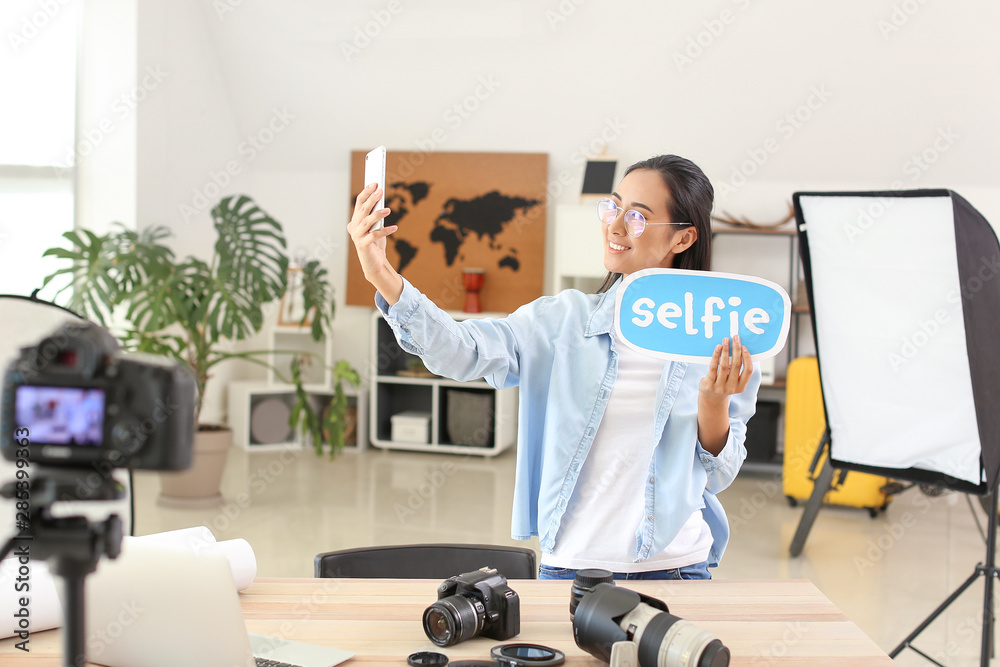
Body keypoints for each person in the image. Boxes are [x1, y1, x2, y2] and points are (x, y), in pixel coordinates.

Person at [348, 154, 759, 580]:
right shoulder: (560, 321)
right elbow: (463, 351)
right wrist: (383, 276)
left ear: (683, 238)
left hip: (676, 569)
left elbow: (719, 476)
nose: (615, 226)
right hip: (571, 568)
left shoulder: (719, 342)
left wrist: (713, 406)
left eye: (637, 216)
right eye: (613, 207)